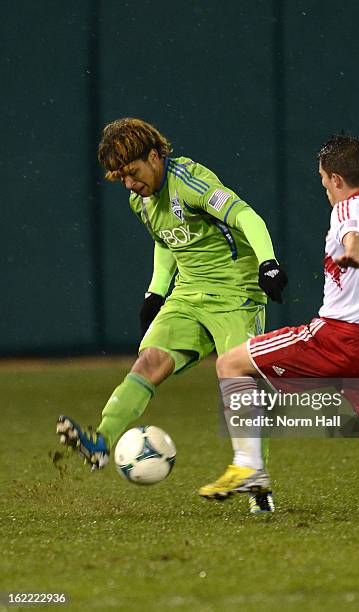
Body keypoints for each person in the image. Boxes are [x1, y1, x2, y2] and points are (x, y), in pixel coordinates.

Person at [205, 134, 359, 518]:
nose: (324, 189)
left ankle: (249, 467)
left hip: (337, 337)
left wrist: (350, 255)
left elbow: (354, 237)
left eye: (324, 181)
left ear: (337, 179)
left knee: (230, 364)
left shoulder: (346, 210)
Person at [56, 117, 287, 514]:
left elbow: (246, 216)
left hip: (236, 294)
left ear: (154, 156)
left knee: (240, 377)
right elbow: (167, 240)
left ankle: (256, 476)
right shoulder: (140, 200)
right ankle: (101, 442)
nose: (128, 183)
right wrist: (156, 289)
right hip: (188, 295)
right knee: (148, 362)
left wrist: (268, 263)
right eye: (121, 177)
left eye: (133, 172)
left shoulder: (191, 182)